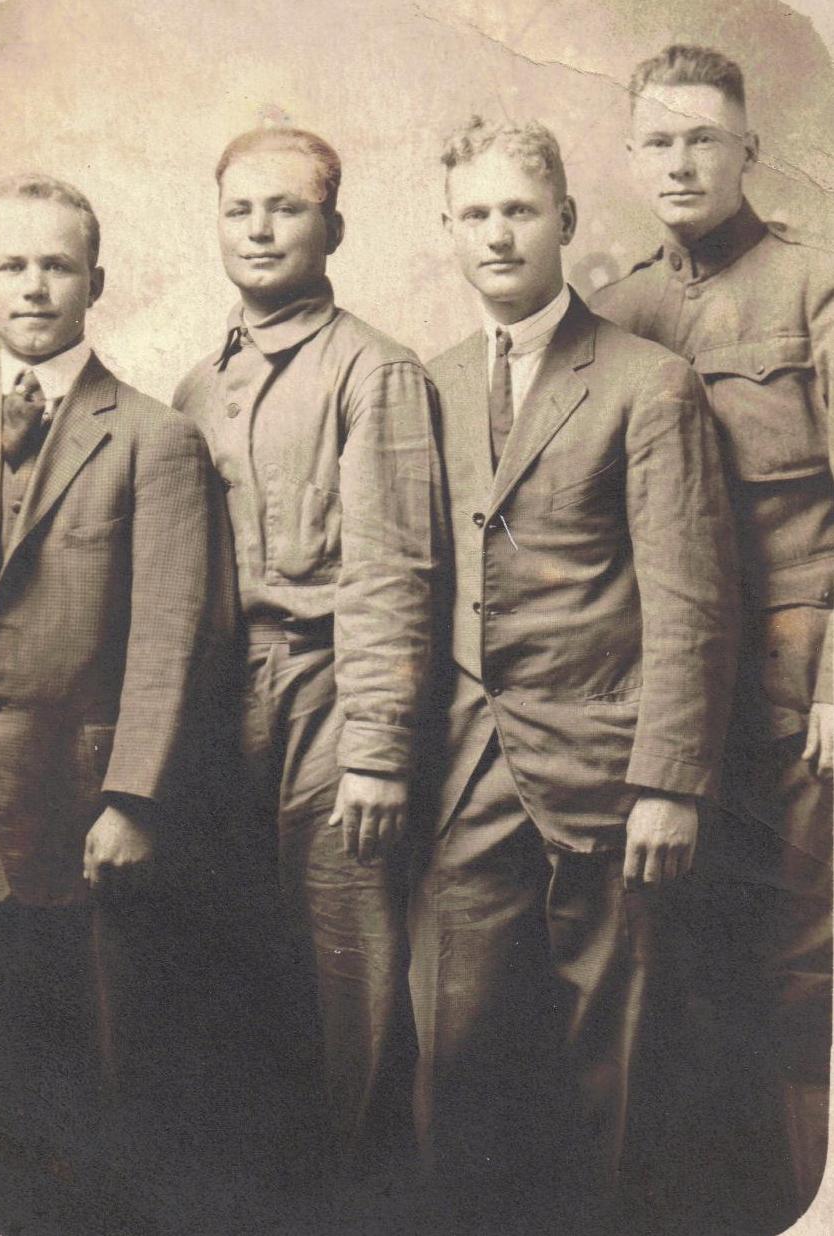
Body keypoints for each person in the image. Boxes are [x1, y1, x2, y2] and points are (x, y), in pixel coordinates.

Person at [407, 116, 738, 1235]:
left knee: (619, 1071)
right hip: (465, 774)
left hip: (609, 771)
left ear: (564, 221)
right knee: (456, 1063)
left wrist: (669, 781)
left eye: (517, 210)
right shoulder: (429, 383)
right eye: (473, 214)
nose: (496, 235)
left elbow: (690, 598)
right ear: (446, 231)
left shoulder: (649, 384)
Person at [0, 173, 234, 1234]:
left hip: (90, 807)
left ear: (95, 281)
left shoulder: (153, 437)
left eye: (56, 265)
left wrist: (134, 800)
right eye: (13, 267)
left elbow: (172, 632)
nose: (34, 286)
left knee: (112, 1071)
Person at [591, 45, 834, 1228]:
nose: (680, 160)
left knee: (791, 954)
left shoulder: (811, 286)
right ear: (630, 158)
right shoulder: (616, 305)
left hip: (794, 676)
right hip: (661, 689)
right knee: (668, 950)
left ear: (747, 148)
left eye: (702, 137)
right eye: (658, 140)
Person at [173, 126, 442, 1192]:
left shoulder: (374, 372)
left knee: (353, 973)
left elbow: (394, 573)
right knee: (241, 967)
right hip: (218, 709)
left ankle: (364, 1198)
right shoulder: (200, 382)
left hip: (333, 701)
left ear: (333, 227)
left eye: (286, 208)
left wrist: (375, 751)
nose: (260, 228)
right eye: (240, 208)